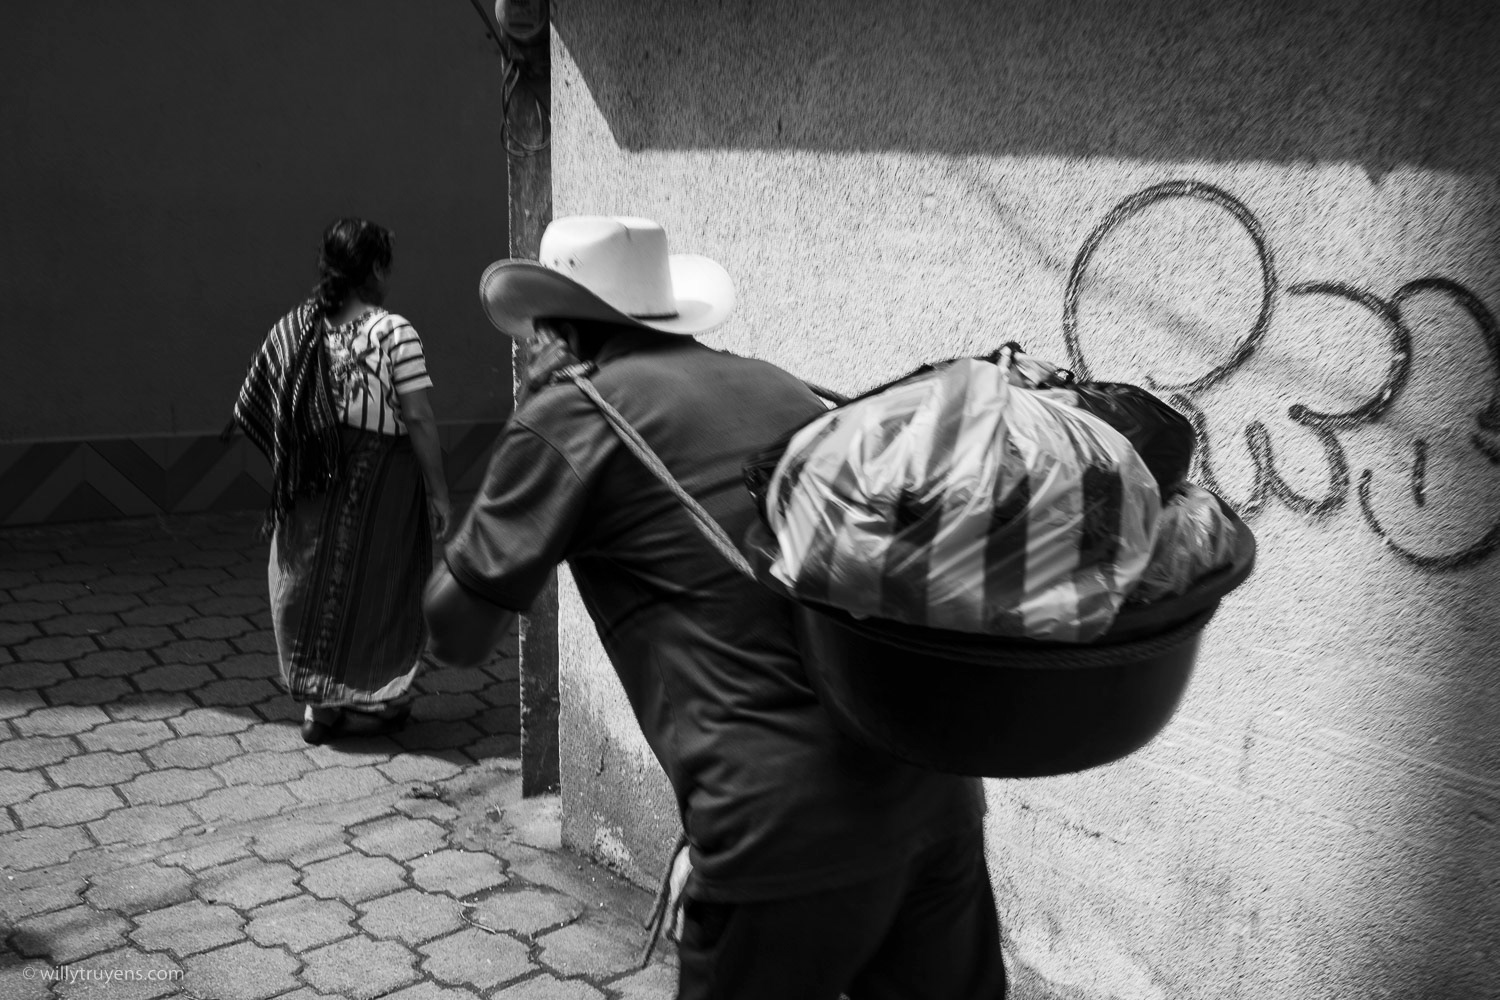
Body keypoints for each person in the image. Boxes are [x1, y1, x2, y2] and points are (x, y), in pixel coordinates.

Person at [423, 216, 1006, 999]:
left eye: (533, 332)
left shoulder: (574, 413)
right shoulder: (777, 382)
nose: (526, 349)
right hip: (930, 788)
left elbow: (458, 632)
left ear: (563, 333)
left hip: (778, 828)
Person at [229, 217, 451, 745]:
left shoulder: (298, 328)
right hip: (383, 479)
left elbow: (264, 395)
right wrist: (440, 490)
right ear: (373, 268)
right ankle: (376, 702)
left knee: (307, 585)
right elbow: (418, 418)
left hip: (312, 474)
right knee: (384, 586)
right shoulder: (395, 332)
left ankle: (319, 707)